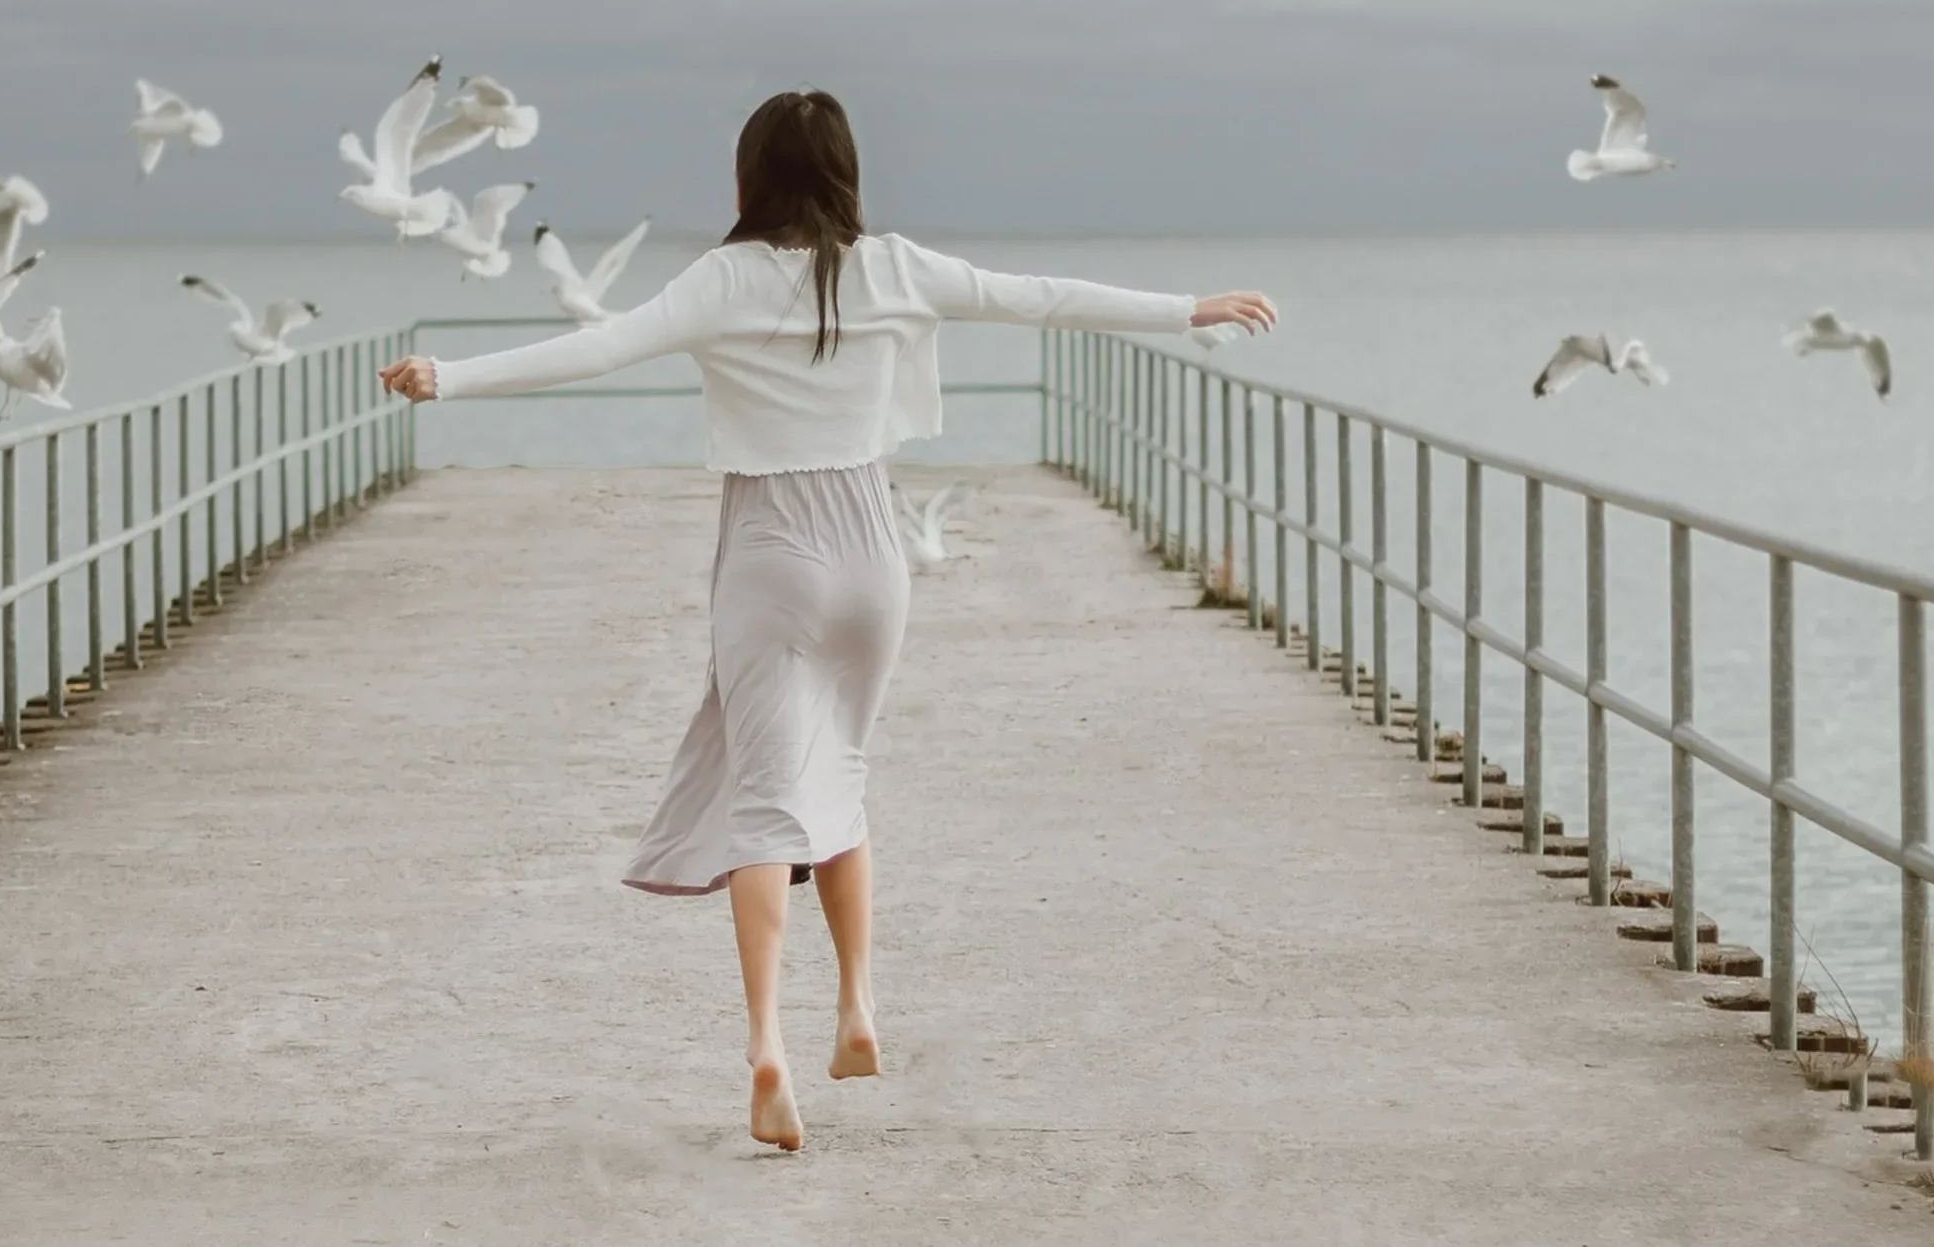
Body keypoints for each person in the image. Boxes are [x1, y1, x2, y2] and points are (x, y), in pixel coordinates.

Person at [379, 87, 1276, 1153]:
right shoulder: (894, 266)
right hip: (870, 548)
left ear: (750, 174)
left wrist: (452, 374)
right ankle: (856, 1006)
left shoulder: (722, 278)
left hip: (770, 550)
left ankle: (768, 1046)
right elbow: (1034, 295)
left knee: (764, 803)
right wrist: (1190, 307)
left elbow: (599, 348)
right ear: (847, 169)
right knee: (840, 772)